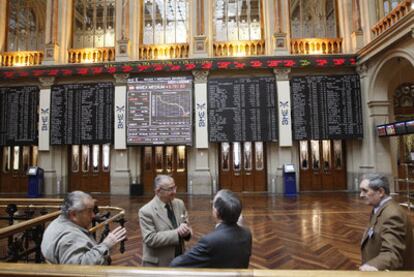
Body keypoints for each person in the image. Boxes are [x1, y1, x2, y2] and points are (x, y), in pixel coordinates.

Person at [170, 189, 252, 268]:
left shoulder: (210, 240)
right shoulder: (247, 234)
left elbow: (176, 264)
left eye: (213, 204)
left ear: (216, 212)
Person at [41, 191, 127, 265]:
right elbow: (79, 269)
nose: (93, 215)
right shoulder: (70, 238)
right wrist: (106, 245)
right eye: (89, 211)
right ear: (73, 214)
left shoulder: (58, 222)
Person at [359, 173, 414, 271]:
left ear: (380, 192)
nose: (361, 195)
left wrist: (372, 266)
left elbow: (392, 253)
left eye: (365, 191)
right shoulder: (380, 208)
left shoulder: (392, 215)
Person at [139, 175, 192, 266]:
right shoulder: (146, 211)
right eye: (170, 189)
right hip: (158, 264)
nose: (175, 192)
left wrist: (187, 232)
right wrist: (177, 233)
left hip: (180, 259)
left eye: (174, 187)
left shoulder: (179, 204)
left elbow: (187, 225)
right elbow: (150, 239)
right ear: (158, 191)